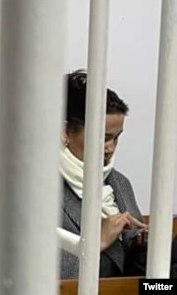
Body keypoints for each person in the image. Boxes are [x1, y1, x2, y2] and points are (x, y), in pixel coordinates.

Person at [60, 70, 148, 278]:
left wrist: (139, 244)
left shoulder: (120, 183)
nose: (110, 148)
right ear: (66, 132)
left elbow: (130, 274)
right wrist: (96, 242)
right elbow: (34, 276)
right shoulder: (38, 187)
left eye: (116, 138)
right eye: (103, 137)